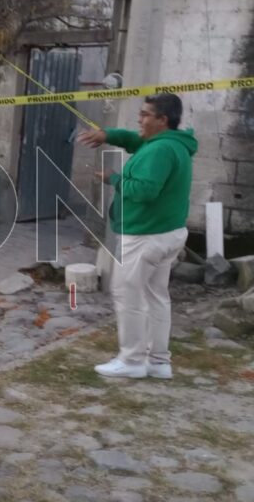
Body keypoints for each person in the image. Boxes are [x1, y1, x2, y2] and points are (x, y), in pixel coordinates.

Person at [78, 93, 196, 379]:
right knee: (156, 296)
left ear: (162, 120)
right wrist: (108, 135)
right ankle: (158, 362)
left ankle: (131, 361)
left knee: (126, 292)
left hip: (146, 235)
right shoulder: (171, 143)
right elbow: (134, 140)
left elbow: (144, 191)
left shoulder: (160, 150)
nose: (139, 119)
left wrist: (114, 178)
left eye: (145, 115)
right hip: (167, 232)